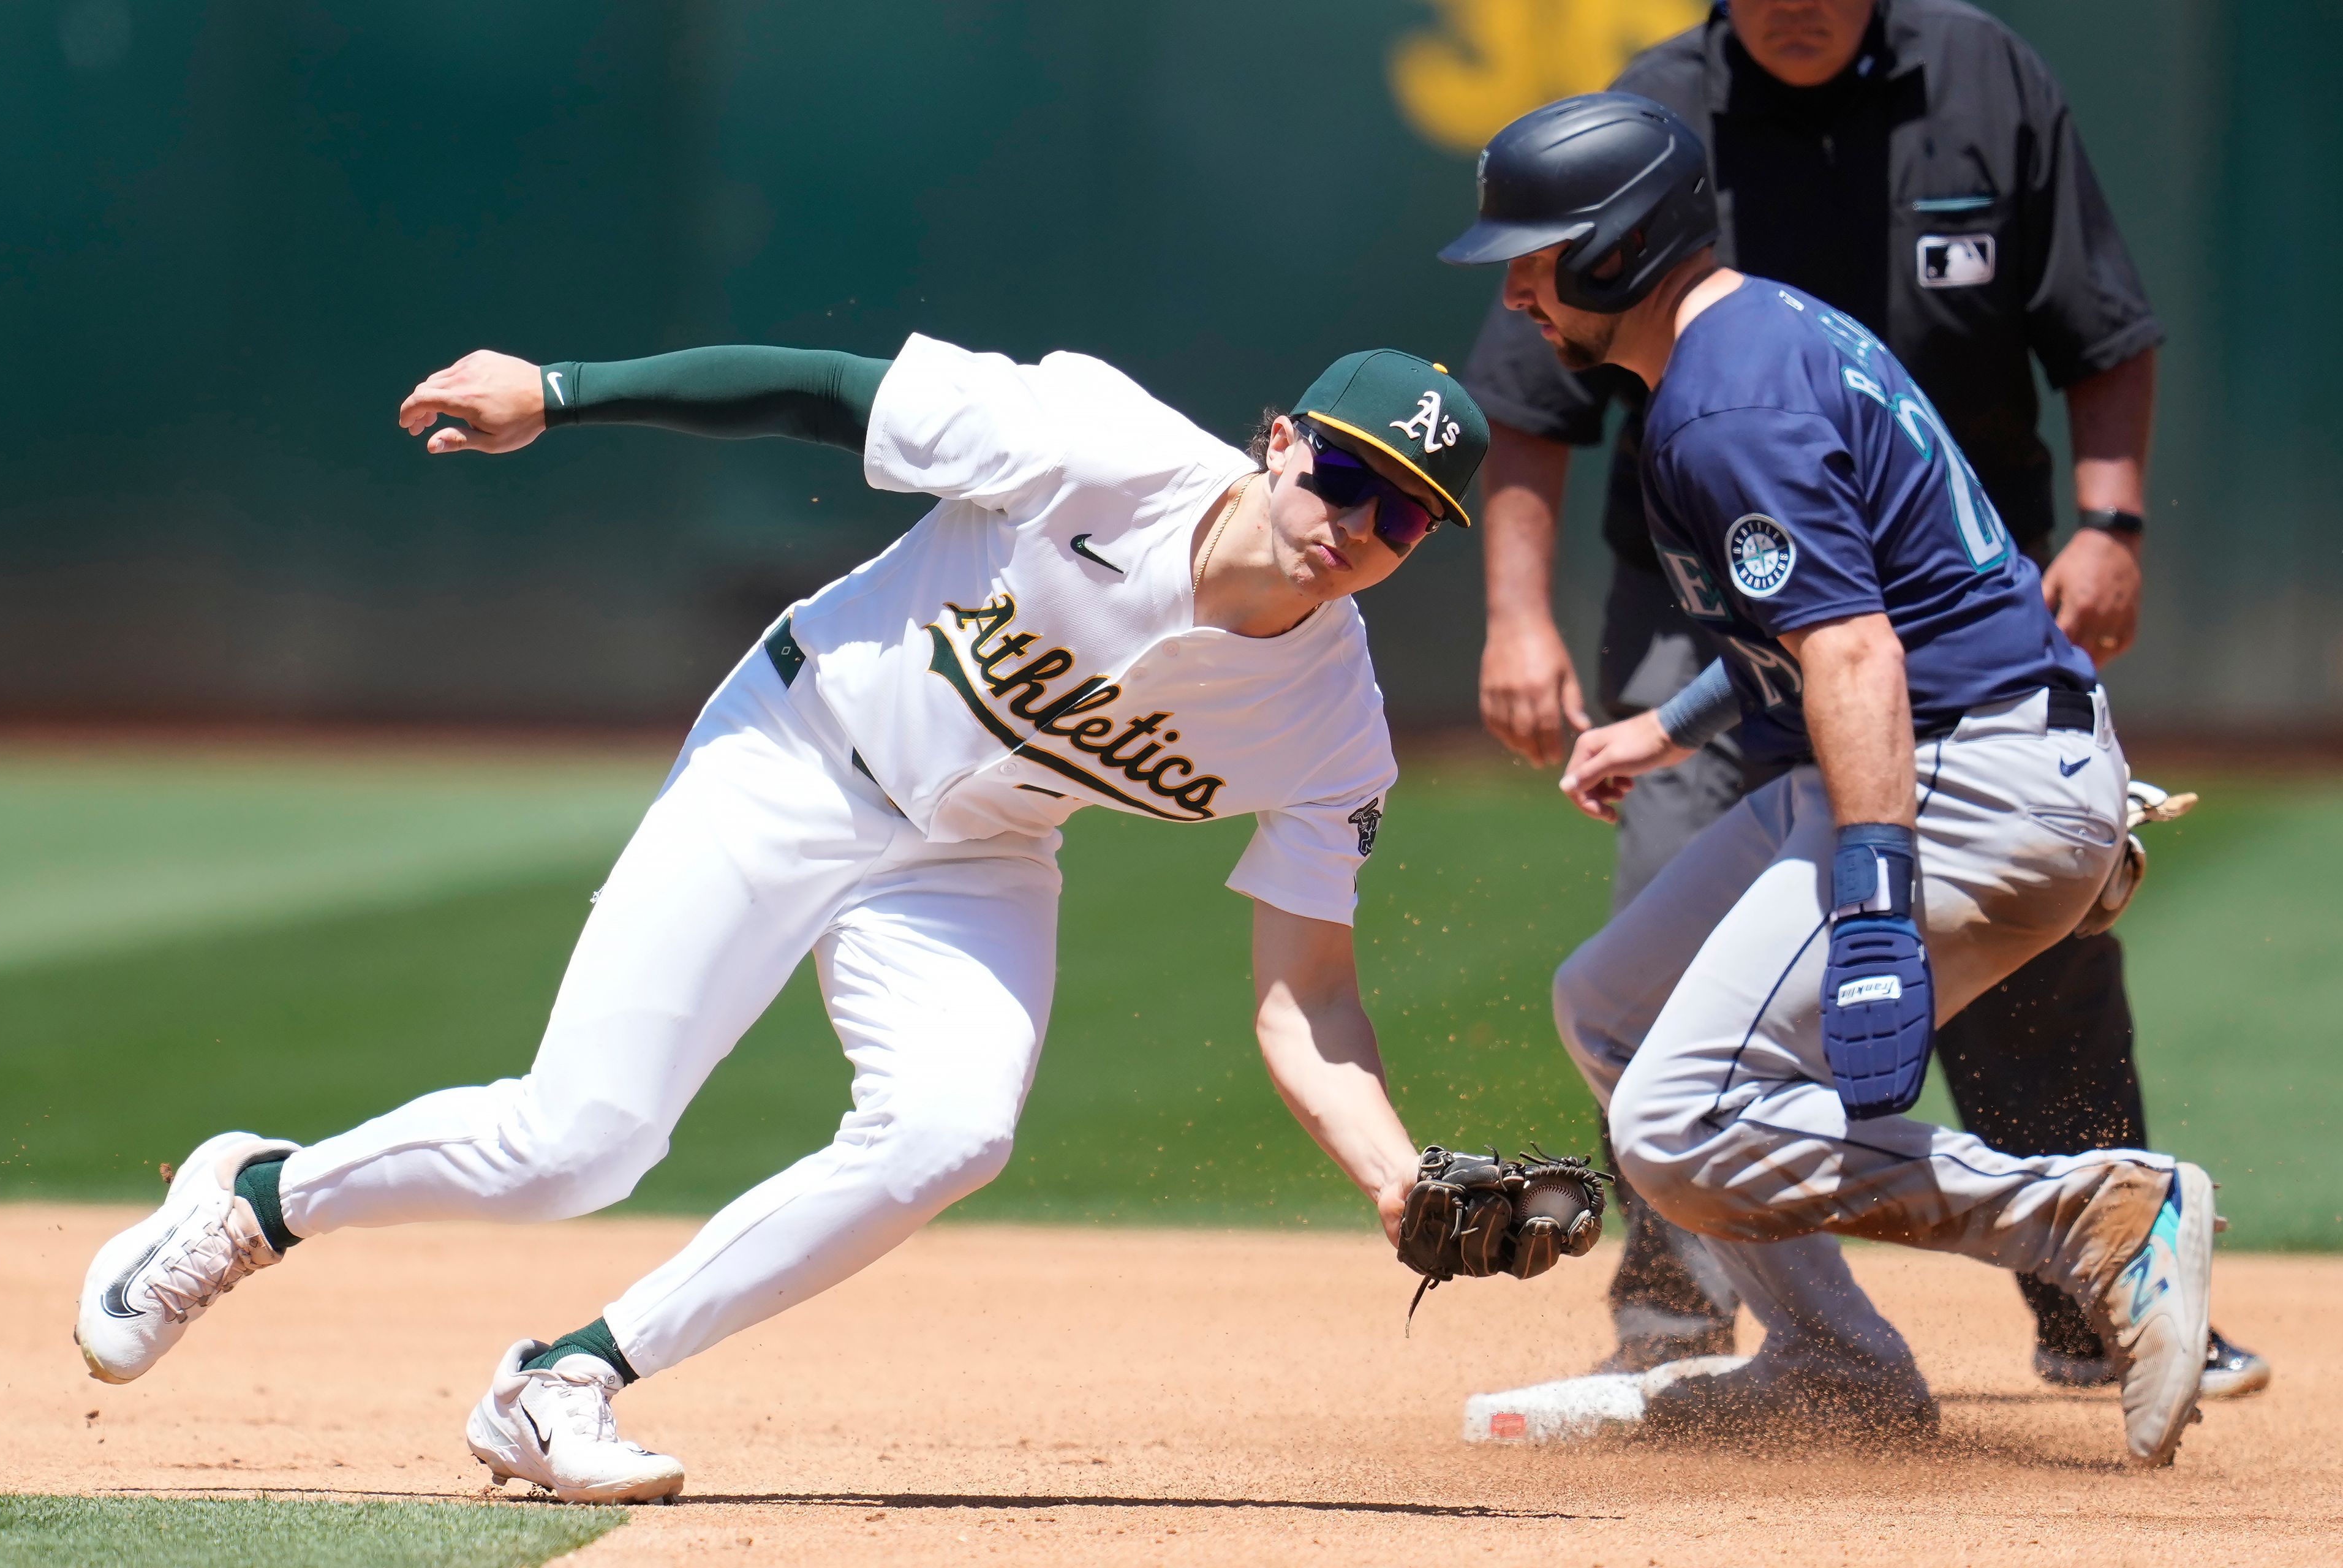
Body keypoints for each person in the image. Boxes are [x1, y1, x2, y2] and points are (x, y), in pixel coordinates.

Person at [75, 333, 1490, 1502]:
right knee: (579, 1142)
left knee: (955, 1130)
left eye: (1409, 514)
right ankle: (251, 1202)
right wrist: (562, 395)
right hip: (798, 752)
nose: (1361, 528)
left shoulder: (1331, 727)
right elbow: (826, 391)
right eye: (1354, 476)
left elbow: (1306, 990)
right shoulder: (1093, 448)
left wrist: (1391, 1176)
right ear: (1286, 441)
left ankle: (564, 1380)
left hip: (977, 856)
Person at [1459, 0, 2264, 1398]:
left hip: (1964, 776)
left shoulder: (1724, 410)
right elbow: (1836, 611)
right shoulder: (1749, 338)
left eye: (1534, 265)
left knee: (1675, 1120)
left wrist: (1878, 886)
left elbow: (1854, 656)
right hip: (1962, 746)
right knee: (1611, 1008)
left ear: (1615, 246)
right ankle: (1836, 1357)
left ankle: (2092, 1212)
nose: (1518, 297)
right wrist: (1672, 722)